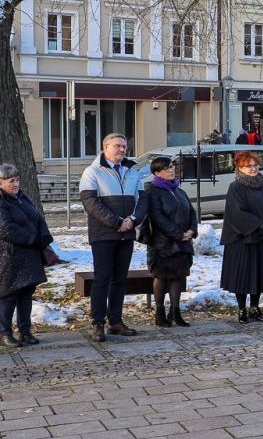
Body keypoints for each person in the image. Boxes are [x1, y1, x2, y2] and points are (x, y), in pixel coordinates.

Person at [79, 132, 147, 342]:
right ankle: (98, 323)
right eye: (117, 145)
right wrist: (116, 222)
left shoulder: (132, 171)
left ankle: (115, 321)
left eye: (124, 146)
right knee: (102, 279)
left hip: (126, 234)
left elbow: (142, 200)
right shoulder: (92, 171)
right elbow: (91, 203)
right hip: (103, 234)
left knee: (119, 279)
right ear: (105, 147)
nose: (122, 149)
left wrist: (133, 220)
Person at [0, 163, 54, 348]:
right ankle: (5, 333)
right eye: (11, 181)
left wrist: (44, 236)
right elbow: (4, 228)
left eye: (17, 180)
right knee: (9, 294)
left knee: (26, 293)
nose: (16, 184)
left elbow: (37, 217)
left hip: (29, 254)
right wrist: (32, 239)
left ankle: (25, 331)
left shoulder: (22, 197)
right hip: (10, 255)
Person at [221, 150, 263, 323]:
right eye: (248, 166)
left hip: (261, 238)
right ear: (239, 168)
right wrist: (259, 226)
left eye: (255, 165)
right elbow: (237, 213)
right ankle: (241, 309)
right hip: (242, 239)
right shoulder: (236, 187)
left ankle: (255, 307)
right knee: (242, 275)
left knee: (258, 274)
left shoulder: (262, 186)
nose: (253, 169)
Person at [142, 155, 198, 327]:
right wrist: (178, 234)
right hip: (162, 244)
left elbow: (191, 212)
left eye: (172, 167)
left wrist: (191, 230)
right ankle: (159, 312)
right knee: (161, 276)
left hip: (182, 243)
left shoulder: (179, 191)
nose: (171, 170)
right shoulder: (153, 192)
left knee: (178, 276)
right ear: (157, 173)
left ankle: (175, 312)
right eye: (167, 168)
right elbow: (157, 218)